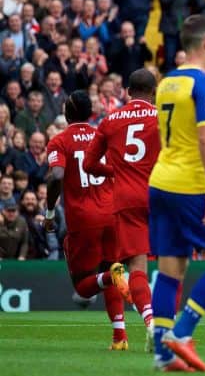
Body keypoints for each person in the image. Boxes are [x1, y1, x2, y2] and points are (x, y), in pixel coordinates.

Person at [149, 15, 205, 372]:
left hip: (161, 182)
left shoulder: (166, 82)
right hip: (191, 186)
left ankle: (163, 353)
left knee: (171, 268)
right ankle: (181, 332)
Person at [44, 91, 131, 350]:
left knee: (83, 288)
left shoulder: (60, 141)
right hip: (112, 213)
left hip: (84, 219)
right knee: (110, 268)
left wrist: (49, 213)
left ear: (68, 112)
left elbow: (56, 175)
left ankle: (109, 278)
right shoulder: (104, 135)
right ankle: (120, 337)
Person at [83, 69, 160, 352]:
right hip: (161, 195)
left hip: (126, 199)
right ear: (154, 92)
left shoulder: (109, 120)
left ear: (128, 91)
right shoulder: (162, 118)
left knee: (137, 267)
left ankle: (151, 324)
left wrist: (113, 170)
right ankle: (173, 323)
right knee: (173, 264)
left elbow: (89, 165)